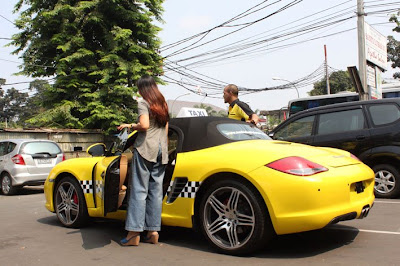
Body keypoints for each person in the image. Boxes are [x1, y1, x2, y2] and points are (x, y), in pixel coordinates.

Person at [118, 75, 169, 246]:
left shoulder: (143, 103)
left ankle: (133, 233)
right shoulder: (163, 103)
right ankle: (153, 232)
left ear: (143, 89)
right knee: (156, 192)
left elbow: (145, 125)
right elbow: (166, 128)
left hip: (146, 148)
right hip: (162, 150)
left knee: (139, 191)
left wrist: (129, 125)